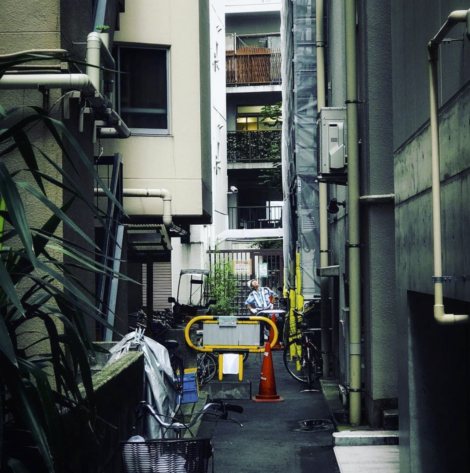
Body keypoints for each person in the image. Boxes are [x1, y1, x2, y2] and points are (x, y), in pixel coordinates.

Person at [245, 279, 278, 345]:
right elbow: (247, 303)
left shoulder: (265, 289)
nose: (255, 282)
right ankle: (261, 343)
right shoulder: (252, 294)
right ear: (252, 286)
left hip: (268, 310)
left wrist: (272, 303)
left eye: (255, 281)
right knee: (261, 327)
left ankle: (271, 342)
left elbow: (275, 295)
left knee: (270, 326)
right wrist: (252, 309)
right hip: (260, 312)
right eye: (253, 282)